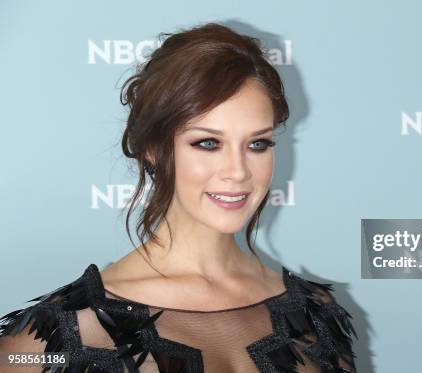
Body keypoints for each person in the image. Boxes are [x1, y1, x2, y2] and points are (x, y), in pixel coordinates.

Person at [0, 22, 357, 372]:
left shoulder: (316, 313)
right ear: (154, 149)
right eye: (208, 143)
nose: (238, 171)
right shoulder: (54, 337)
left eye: (257, 144)